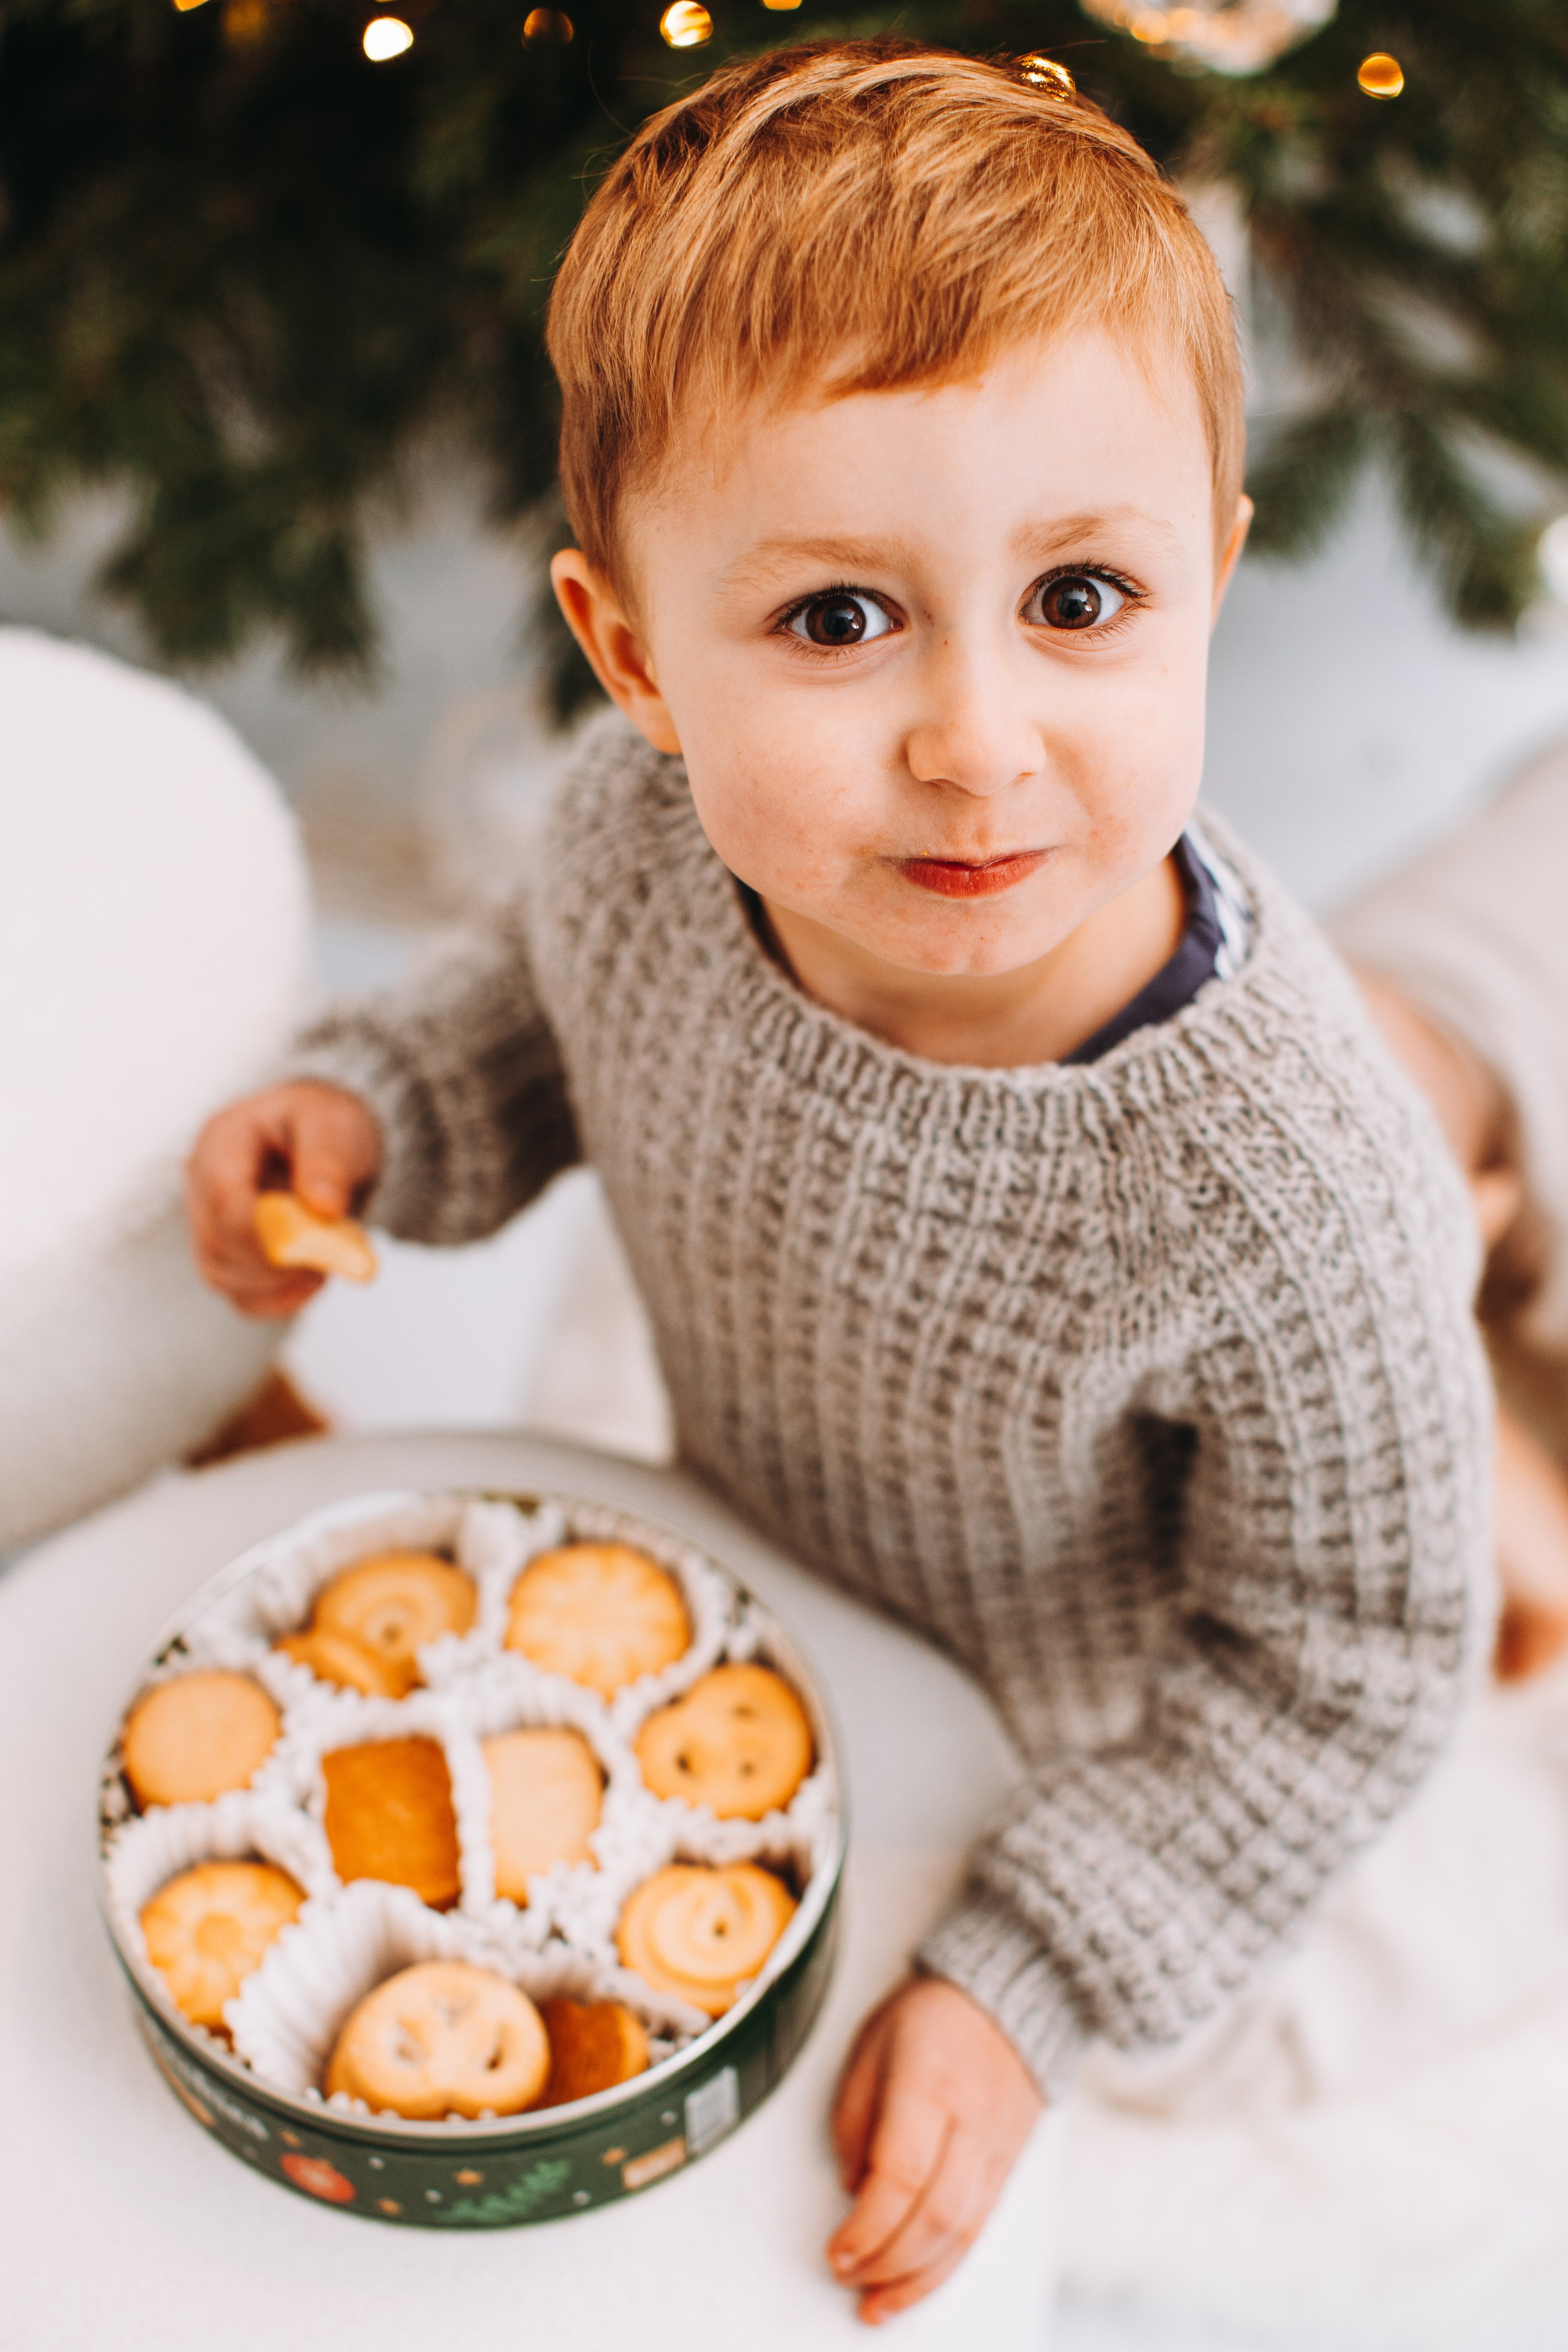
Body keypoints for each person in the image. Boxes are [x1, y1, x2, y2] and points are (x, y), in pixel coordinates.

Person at [186, 43, 1496, 2324]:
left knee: (1270, 2085)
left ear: (1216, 571)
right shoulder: (625, 833)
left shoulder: (1277, 1183)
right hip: (743, 1591)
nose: (978, 737)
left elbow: (1353, 1668)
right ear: (633, 659)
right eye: (834, 620)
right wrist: (386, 1109)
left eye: (1084, 599)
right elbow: (538, 1009)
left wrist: (1035, 1967)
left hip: (1070, 1748)